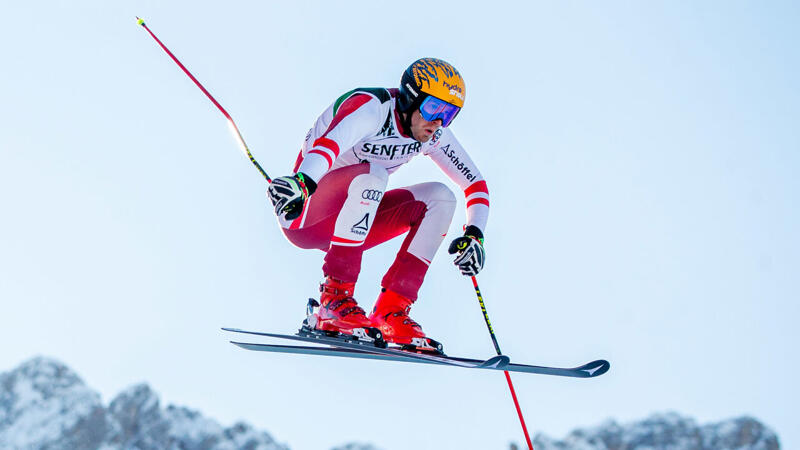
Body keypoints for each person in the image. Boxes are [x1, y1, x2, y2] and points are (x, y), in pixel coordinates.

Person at [267, 58, 489, 352]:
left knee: (441, 198)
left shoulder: (433, 134)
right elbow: (328, 146)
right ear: (411, 98)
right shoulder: (372, 109)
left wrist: (475, 235)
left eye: (449, 114)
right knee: (374, 175)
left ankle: (391, 312)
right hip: (306, 213)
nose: (438, 121)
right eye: (434, 108)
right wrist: (303, 183)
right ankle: (333, 300)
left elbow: (475, 184)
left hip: (353, 224)